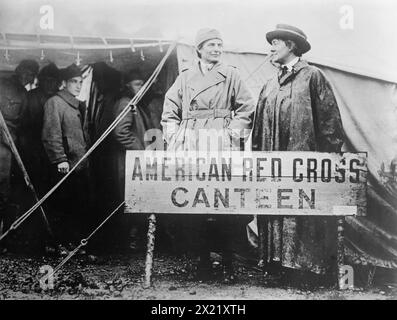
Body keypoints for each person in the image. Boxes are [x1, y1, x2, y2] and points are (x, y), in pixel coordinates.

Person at [252, 24, 345, 282]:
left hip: (304, 163)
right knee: (274, 204)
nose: (271, 48)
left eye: (276, 43)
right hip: (271, 164)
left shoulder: (312, 76)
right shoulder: (270, 83)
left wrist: (330, 157)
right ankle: (275, 262)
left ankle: (305, 269)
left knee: (302, 209)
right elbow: (259, 127)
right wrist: (258, 156)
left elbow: (329, 120)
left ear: (291, 46)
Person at [161, 28, 255, 283]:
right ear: (198, 49)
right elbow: (169, 111)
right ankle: (202, 260)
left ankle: (228, 262)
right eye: (211, 44)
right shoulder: (184, 78)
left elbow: (247, 108)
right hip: (192, 147)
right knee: (195, 202)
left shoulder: (231, 75)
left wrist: (229, 135)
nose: (216, 48)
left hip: (221, 146)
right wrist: (176, 137)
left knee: (226, 202)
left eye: (219, 44)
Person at [42, 63, 92, 255]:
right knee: (61, 206)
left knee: (75, 206)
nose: (78, 86)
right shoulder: (55, 102)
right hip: (64, 166)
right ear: (64, 83)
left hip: (78, 165)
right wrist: (60, 158)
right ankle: (58, 244)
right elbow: (50, 133)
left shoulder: (75, 104)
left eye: (80, 82)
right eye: (74, 82)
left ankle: (72, 243)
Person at [112, 68, 154, 252]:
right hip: (128, 160)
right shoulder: (125, 103)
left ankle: (133, 241)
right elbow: (121, 133)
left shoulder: (136, 103)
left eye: (143, 84)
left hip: (134, 160)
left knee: (134, 198)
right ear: (127, 86)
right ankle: (129, 242)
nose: (141, 87)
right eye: (137, 84)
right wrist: (141, 151)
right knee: (130, 198)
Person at [0, 59, 39, 254]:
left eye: (32, 74)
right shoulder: (2, 85)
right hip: (1, 147)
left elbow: (22, 124)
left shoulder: (24, 94)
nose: (29, 76)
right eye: (26, 72)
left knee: (7, 193)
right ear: (18, 69)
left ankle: (5, 239)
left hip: (12, 148)